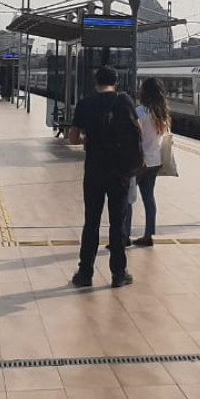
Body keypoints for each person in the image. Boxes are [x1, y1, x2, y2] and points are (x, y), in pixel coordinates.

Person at [67, 66, 141, 288]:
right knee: (118, 223)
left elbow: (73, 138)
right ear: (116, 82)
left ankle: (85, 273)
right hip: (120, 173)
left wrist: (88, 140)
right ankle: (119, 274)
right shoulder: (124, 101)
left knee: (91, 222)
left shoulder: (86, 104)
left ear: (95, 83)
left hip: (94, 172)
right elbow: (138, 130)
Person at [124, 77, 171, 248]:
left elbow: (133, 137)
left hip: (138, 161)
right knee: (149, 198)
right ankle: (148, 234)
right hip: (154, 161)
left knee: (128, 198)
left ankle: (124, 235)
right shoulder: (163, 114)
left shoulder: (140, 112)